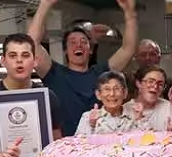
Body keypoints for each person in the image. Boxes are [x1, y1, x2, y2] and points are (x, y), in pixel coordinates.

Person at [28, 0, 138, 136]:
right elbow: (31, 44)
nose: (78, 45)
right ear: (66, 50)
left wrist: (129, 14)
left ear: (90, 49)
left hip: (99, 145)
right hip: (65, 147)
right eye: (72, 42)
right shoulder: (53, 73)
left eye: (83, 42)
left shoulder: (102, 72)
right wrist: (45, 4)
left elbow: (128, 49)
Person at [121, 65, 172, 133]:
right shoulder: (125, 109)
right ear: (138, 83)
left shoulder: (169, 107)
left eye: (160, 84)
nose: (155, 86)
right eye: (150, 81)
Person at [75, 71, 148, 135]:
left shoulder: (135, 114)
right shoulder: (87, 117)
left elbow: (149, 142)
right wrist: (92, 125)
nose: (112, 94)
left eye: (116, 88)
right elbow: (78, 145)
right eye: (107, 89)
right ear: (98, 94)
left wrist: (139, 120)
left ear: (125, 93)